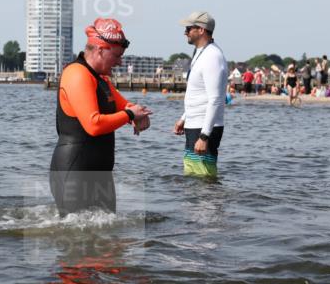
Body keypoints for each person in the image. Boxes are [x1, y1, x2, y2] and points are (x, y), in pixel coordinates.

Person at [49, 18, 152, 215]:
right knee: (79, 241)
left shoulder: (101, 79)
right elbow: (93, 125)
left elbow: (124, 107)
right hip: (74, 171)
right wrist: (130, 114)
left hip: (100, 174)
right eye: (117, 56)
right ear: (100, 50)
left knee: (108, 241)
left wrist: (138, 116)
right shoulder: (77, 74)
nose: (120, 62)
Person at [173, 11, 229, 178]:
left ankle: (210, 205)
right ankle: (194, 205)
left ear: (201, 30)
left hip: (204, 128)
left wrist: (204, 136)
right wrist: (184, 117)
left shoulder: (212, 56)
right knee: (192, 176)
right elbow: (198, 92)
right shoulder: (201, 52)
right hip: (194, 123)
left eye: (189, 28)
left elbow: (215, 100)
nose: (185, 32)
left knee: (204, 178)